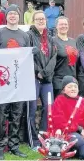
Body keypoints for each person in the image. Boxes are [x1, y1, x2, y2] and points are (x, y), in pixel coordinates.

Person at [0, 5, 30, 160]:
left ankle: (14, 145)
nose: (13, 16)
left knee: (17, 114)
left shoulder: (24, 35)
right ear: (6, 16)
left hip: (19, 80)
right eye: (10, 14)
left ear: (19, 16)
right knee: (1, 114)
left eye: (15, 13)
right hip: (2, 79)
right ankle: (0, 147)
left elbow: (27, 57)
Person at [26, 10, 57, 150]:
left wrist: (45, 73)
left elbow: (54, 57)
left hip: (47, 78)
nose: (41, 21)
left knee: (49, 108)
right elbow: (28, 56)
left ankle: (44, 136)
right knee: (31, 109)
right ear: (33, 21)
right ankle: (33, 140)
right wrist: (38, 72)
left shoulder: (50, 37)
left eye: (43, 19)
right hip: (33, 77)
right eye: (38, 19)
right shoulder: (29, 36)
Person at [52, 76, 84, 160]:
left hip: (78, 134)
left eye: (75, 87)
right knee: (78, 139)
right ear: (63, 90)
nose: (73, 89)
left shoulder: (82, 101)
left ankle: (72, 150)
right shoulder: (59, 100)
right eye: (69, 87)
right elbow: (60, 122)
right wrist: (79, 129)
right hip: (64, 134)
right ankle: (65, 149)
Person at [52, 16, 78, 97]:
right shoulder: (53, 41)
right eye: (61, 24)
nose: (64, 26)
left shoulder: (73, 41)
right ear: (56, 26)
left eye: (65, 24)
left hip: (72, 80)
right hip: (59, 81)